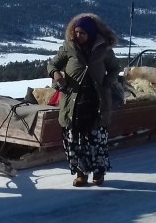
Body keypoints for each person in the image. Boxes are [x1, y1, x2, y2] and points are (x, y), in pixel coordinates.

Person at [47, 13, 121, 187]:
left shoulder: (103, 49)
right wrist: (56, 74)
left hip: (96, 102)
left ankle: (98, 172)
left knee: (96, 140)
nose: (78, 36)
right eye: (76, 32)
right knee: (75, 139)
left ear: (92, 34)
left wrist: (107, 83)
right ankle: (81, 174)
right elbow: (52, 65)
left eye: (82, 33)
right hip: (73, 103)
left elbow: (115, 68)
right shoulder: (69, 47)